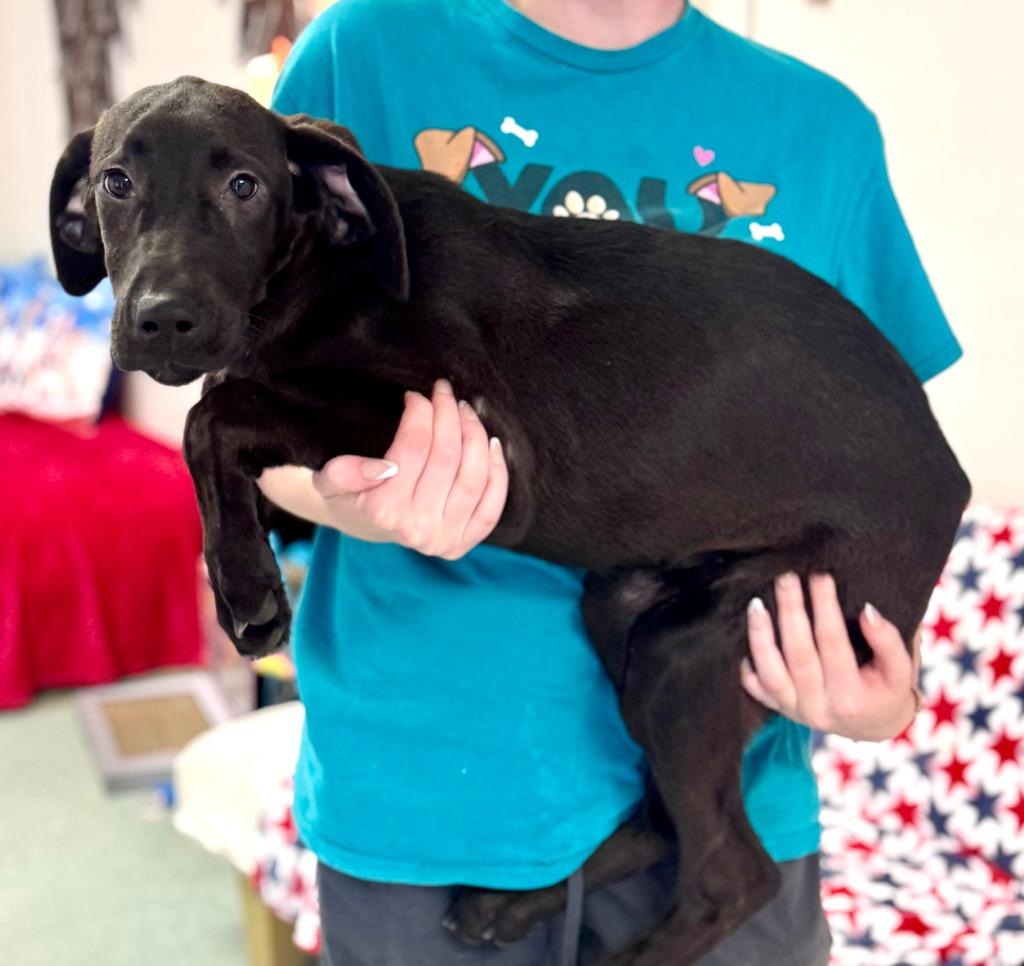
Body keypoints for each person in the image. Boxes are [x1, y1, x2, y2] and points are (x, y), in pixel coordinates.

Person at [259, 1, 962, 962]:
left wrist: (888, 699)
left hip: (719, 797)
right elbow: (259, 422)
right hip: (423, 797)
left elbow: (885, 475)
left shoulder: (822, 130)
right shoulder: (364, 53)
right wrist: (364, 502)